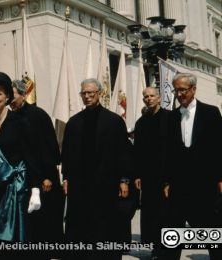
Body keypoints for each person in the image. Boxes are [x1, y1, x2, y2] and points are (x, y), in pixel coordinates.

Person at [0, 72, 42, 260]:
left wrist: (35, 190)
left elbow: (32, 158)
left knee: (17, 242)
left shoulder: (20, 123)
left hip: (18, 192)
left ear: (7, 97)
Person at [61, 78, 131, 260]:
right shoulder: (73, 123)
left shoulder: (114, 121)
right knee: (79, 226)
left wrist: (124, 180)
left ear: (99, 93)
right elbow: (66, 153)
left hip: (106, 183)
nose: (87, 96)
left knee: (106, 225)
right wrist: (66, 177)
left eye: (91, 92)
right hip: (79, 184)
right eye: (84, 93)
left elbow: (123, 153)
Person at [163, 73, 222, 260]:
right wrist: (166, 181)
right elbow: (167, 153)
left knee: (211, 228)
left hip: (206, 182)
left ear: (194, 89)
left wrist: (220, 178)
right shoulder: (171, 117)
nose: (179, 94)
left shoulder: (211, 113)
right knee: (173, 230)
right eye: (176, 90)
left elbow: (219, 147)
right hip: (179, 184)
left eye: (183, 90)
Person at [10, 78, 64, 259]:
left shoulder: (38, 115)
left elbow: (49, 147)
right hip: (22, 179)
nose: (10, 99)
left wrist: (48, 175)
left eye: (13, 95)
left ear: (23, 95)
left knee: (44, 220)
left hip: (43, 177)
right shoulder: (10, 117)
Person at [133, 86, 170, 259]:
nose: (149, 99)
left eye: (152, 96)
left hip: (166, 175)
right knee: (150, 213)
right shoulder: (141, 123)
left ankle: (167, 249)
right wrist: (137, 174)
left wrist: (170, 179)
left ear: (159, 97)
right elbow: (137, 152)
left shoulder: (170, 118)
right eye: (145, 96)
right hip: (148, 176)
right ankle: (155, 248)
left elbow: (174, 150)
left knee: (166, 213)